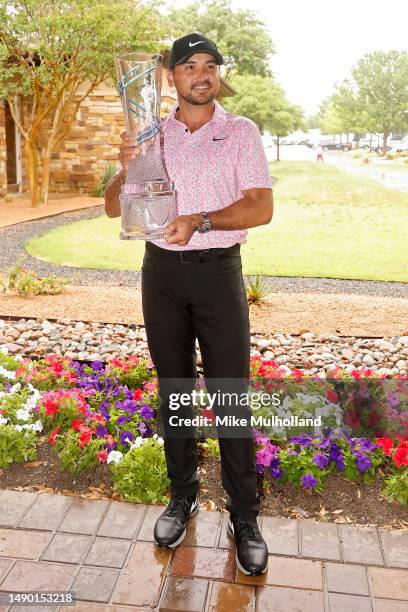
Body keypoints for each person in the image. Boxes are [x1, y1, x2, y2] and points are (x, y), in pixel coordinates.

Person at [105, 32, 273, 576]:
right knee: (173, 387)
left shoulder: (240, 131)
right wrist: (125, 162)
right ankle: (183, 497)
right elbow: (113, 208)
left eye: (209, 65)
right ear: (170, 76)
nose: (200, 74)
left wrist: (200, 220)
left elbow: (260, 207)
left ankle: (244, 516)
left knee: (229, 394)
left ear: (216, 74)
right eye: (188, 66)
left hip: (219, 274)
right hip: (161, 277)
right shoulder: (150, 131)